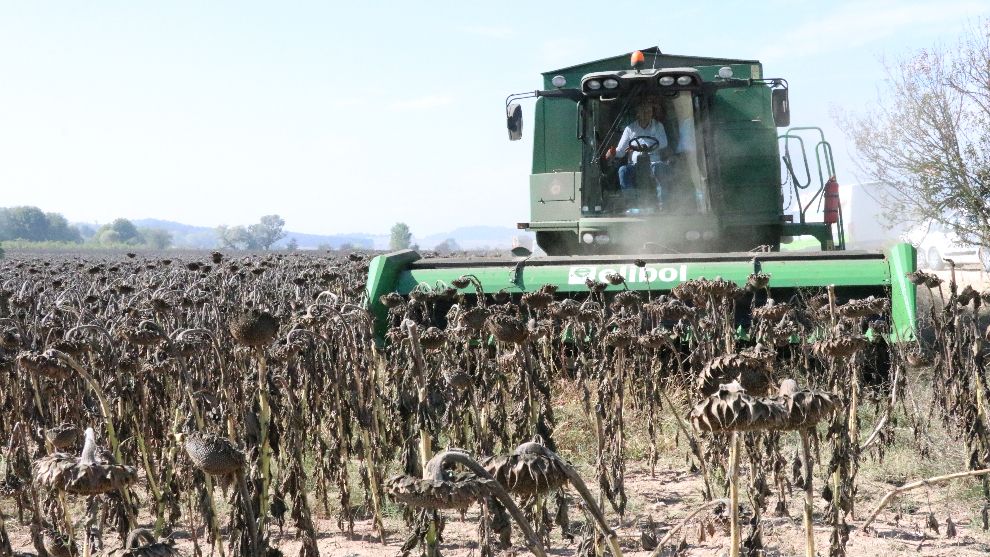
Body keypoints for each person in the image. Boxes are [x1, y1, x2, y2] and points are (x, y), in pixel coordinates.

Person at [605, 102, 671, 207]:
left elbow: (663, 143)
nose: (646, 114)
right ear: (638, 114)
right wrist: (612, 153)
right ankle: (632, 204)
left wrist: (643, 146)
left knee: (660, 168)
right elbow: (621, 151)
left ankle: (663, 204)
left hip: (654, 162)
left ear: (652, 113)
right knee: (623, 170)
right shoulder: (630, 129)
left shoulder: (658, 126)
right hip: (634, 165)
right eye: (643, 112)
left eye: (649, 112)